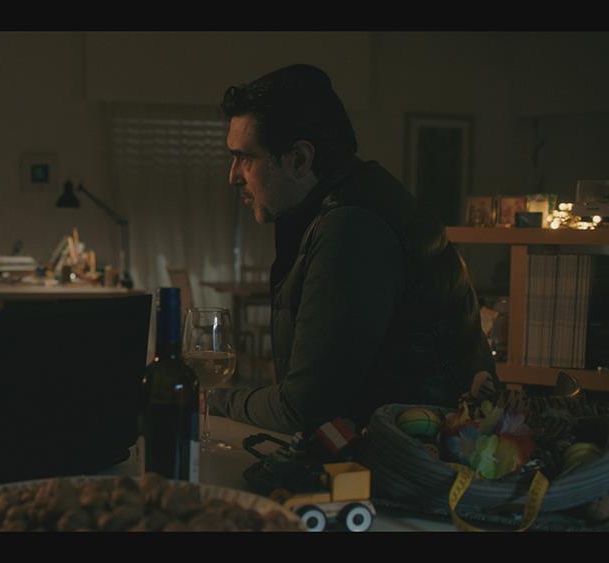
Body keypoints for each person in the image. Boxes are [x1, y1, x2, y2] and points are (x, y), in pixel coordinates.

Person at [209, 64, 495, 435]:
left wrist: (212, 401)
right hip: (400, 444)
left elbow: (305, 407)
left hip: (417, 453)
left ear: (299, 159)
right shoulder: (346, 205)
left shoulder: (353, 227)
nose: (233, 175)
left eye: (245, 157)